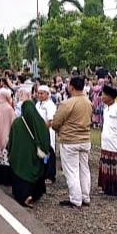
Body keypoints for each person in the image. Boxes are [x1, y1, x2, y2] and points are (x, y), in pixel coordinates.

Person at [52, 76, 93, 208]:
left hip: (70, 140)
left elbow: (56, 122)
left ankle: (75, 198)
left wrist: (57, 127)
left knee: (71, 170)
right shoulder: (88, 102)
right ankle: (85, 196)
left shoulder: (67, 103)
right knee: (84, 169)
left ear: (72, 87)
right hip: (85, 139)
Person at [8, 101, 50, 207]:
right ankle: (35, 194)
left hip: (20, 157)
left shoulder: (17, 123)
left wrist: (10, 151)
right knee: (35, 172)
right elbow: (45, 139)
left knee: (21, 173)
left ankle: (23, 196)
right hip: (35, 155)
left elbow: (11, 140)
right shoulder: (40, 122)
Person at [36, 85, 58, 184]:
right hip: (38, 133)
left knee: (49, 153)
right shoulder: (37, 104)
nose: (39, 95)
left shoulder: (50, 105)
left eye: (42, 93)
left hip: (47, 132)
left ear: (47, 94)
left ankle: (50, 176)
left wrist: (41, 129)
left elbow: (50, 121)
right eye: (38, 93)